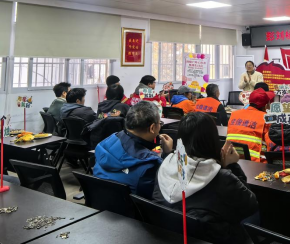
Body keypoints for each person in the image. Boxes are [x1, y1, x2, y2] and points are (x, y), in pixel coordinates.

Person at [153, 113, 258, 244]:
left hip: (171, 235)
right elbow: (250, 206)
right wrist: (232, 166)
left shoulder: (166, 164)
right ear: (212, 140)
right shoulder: (222, 178)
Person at [94, 102, 173, 197]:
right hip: (132, 206)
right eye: (160, 123)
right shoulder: (151, 165)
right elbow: (162, 193)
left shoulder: (109, 140)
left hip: (99, 200)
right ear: (152, 128)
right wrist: (167, 154)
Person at [226, 87, 274, 162]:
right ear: (265, 106)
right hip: (255, 164)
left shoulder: (234, 114)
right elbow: (272, 144)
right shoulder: (266, 119)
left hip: (232, 160)